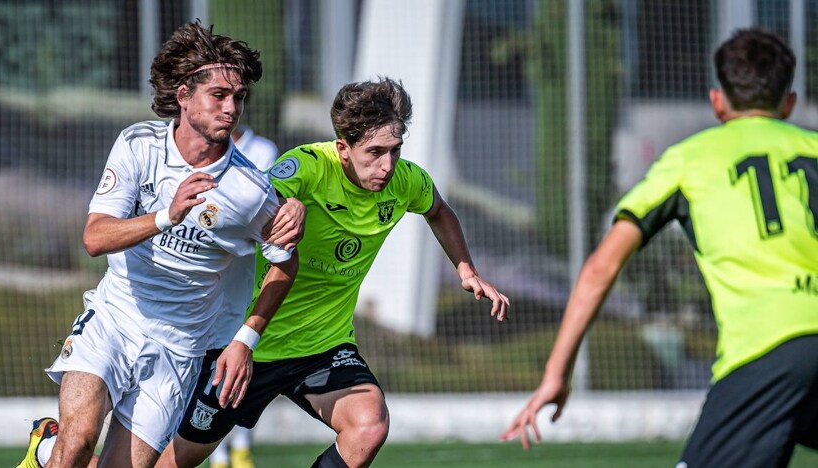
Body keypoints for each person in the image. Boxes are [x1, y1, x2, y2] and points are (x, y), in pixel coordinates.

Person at [500, 28, 818, 467]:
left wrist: (557, 373)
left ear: (717, 101)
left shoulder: (689, 159)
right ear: (789, 102)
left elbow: (601, 267)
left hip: (768, 345)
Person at [158, 77, 511, 468]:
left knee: (369, 425)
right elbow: (252, 199)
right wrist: (287, 205)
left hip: (322, 347)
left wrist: (466, 269)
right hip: (247, 344)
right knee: (177, 461)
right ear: (343, 148)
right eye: (374, 152)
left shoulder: (407, 180)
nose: (387, 165)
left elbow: (438, 210)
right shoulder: (307, 167)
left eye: (395, 151)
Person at [16, 21, 302, 468]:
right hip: (114, 319)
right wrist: (167, 216)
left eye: (239, 98)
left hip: (179, 349)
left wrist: (247, 337)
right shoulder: (138, 145)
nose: (232, 109)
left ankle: (44, 447)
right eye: (219, 96)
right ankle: (58, 447)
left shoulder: (250, 190)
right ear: (184, 95)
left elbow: (286, 262)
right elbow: (95, 237)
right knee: (78, 443)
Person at [204, 125, 280, 468]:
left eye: (235, 96)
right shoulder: (188, 151)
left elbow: (264, 207)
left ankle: (241, 449)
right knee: (208, 371)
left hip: (246, 278)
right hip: (205, 283)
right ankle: (216, 454)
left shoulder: (263, 150)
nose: (228, 108)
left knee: (240, 366)